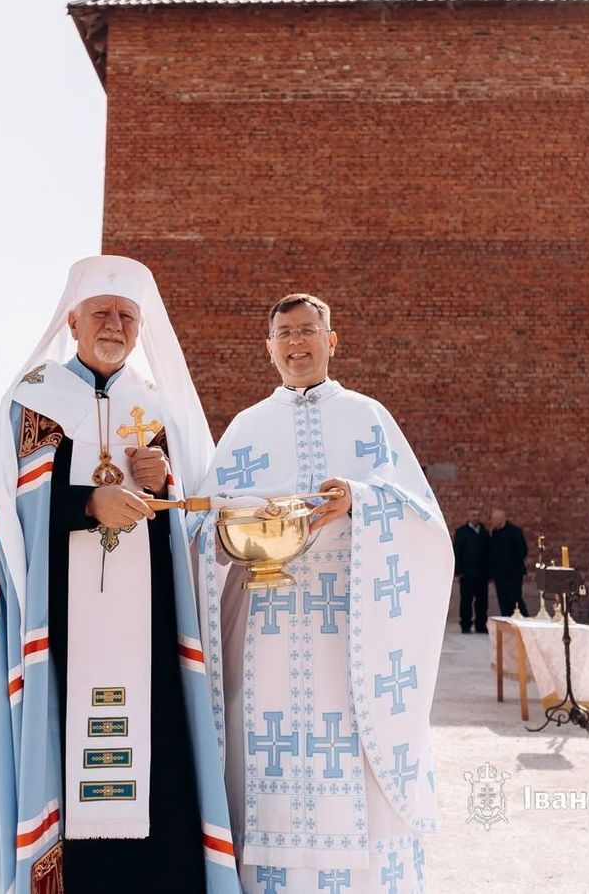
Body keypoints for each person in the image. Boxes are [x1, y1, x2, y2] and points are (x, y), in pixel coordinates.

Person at [0, 256, 237, 893]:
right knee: (68, 758)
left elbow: (185, 521)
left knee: (160, 764)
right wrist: (87, 504)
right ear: (72, 320)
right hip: (63, 623)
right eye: (102, 312)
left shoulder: (153, 408)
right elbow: (4, 517)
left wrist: (165, 482)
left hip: (147, 631)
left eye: (127, 316)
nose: (115, 324)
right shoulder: (33, 400)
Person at [195, 293, 449, 891]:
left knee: (352, 744)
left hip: (354, 625)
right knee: (266, 751)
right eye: (284, 334)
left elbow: (425, 521)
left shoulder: (369, 417)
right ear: (269, 348)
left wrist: (360, 501)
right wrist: (225, 529)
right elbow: (204, 522)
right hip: (269, 628)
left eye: (308, 331)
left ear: (332, 341)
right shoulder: (245, 428)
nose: (296, 344)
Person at [452, 509, 490, 633]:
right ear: (468, 516)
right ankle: (465, 624)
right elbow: (457, 551)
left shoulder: (484, 532)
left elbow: (489, 552)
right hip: (467, 573)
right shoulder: (462, 532)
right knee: (466, 601)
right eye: (473, 515)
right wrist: (458, 571)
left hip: (481, 574)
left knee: (482, 602)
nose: (475, 517)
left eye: (478, 515)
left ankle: (480, 625)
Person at [488, 507, 529, 617]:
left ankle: (522, 619)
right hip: (499, 574)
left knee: (515, 598)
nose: (492, 522)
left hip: (513, 574)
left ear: (502, 519)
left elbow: (522, 551)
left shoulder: (514, 532)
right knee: (503, 599)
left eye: (494, 519)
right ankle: (506, 620)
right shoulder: (494, 534)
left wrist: (511, 565)